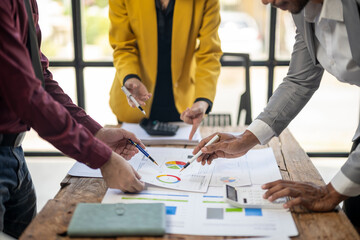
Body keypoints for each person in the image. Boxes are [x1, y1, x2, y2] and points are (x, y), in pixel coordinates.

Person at [193, 0, 360, 231]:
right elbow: (299, 80)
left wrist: (329, 192)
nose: (264, 1)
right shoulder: (303, 11)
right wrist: (246, 139)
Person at [0, 0, 145, 238]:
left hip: (15, 153)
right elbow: (26, 94)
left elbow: (40, 79)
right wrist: (102, 158)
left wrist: (96, 133)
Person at [108, 0, 222, 140]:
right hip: (136, 103)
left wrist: (203, 100)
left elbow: (209, 53)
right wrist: (130, 77)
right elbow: (123, 46)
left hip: (183, 106)